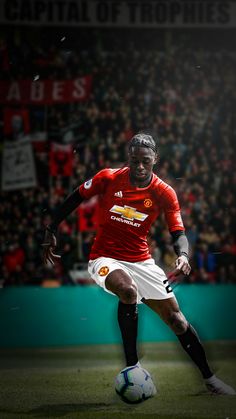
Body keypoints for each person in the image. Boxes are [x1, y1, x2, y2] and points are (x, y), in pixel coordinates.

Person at [42, 133, 235, 395]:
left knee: (177, 321)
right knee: (128, 291)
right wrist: (51, 227)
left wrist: (183, 256)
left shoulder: (164, 192)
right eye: (135, 160)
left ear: (155, 159)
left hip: (142, 261)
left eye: (146, 161)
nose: (140, 166)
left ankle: (210, 380)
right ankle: (132, 367)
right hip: (105, 257)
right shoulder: (108, 177)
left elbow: (178, 233)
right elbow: (76, 197)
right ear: (128, 158)